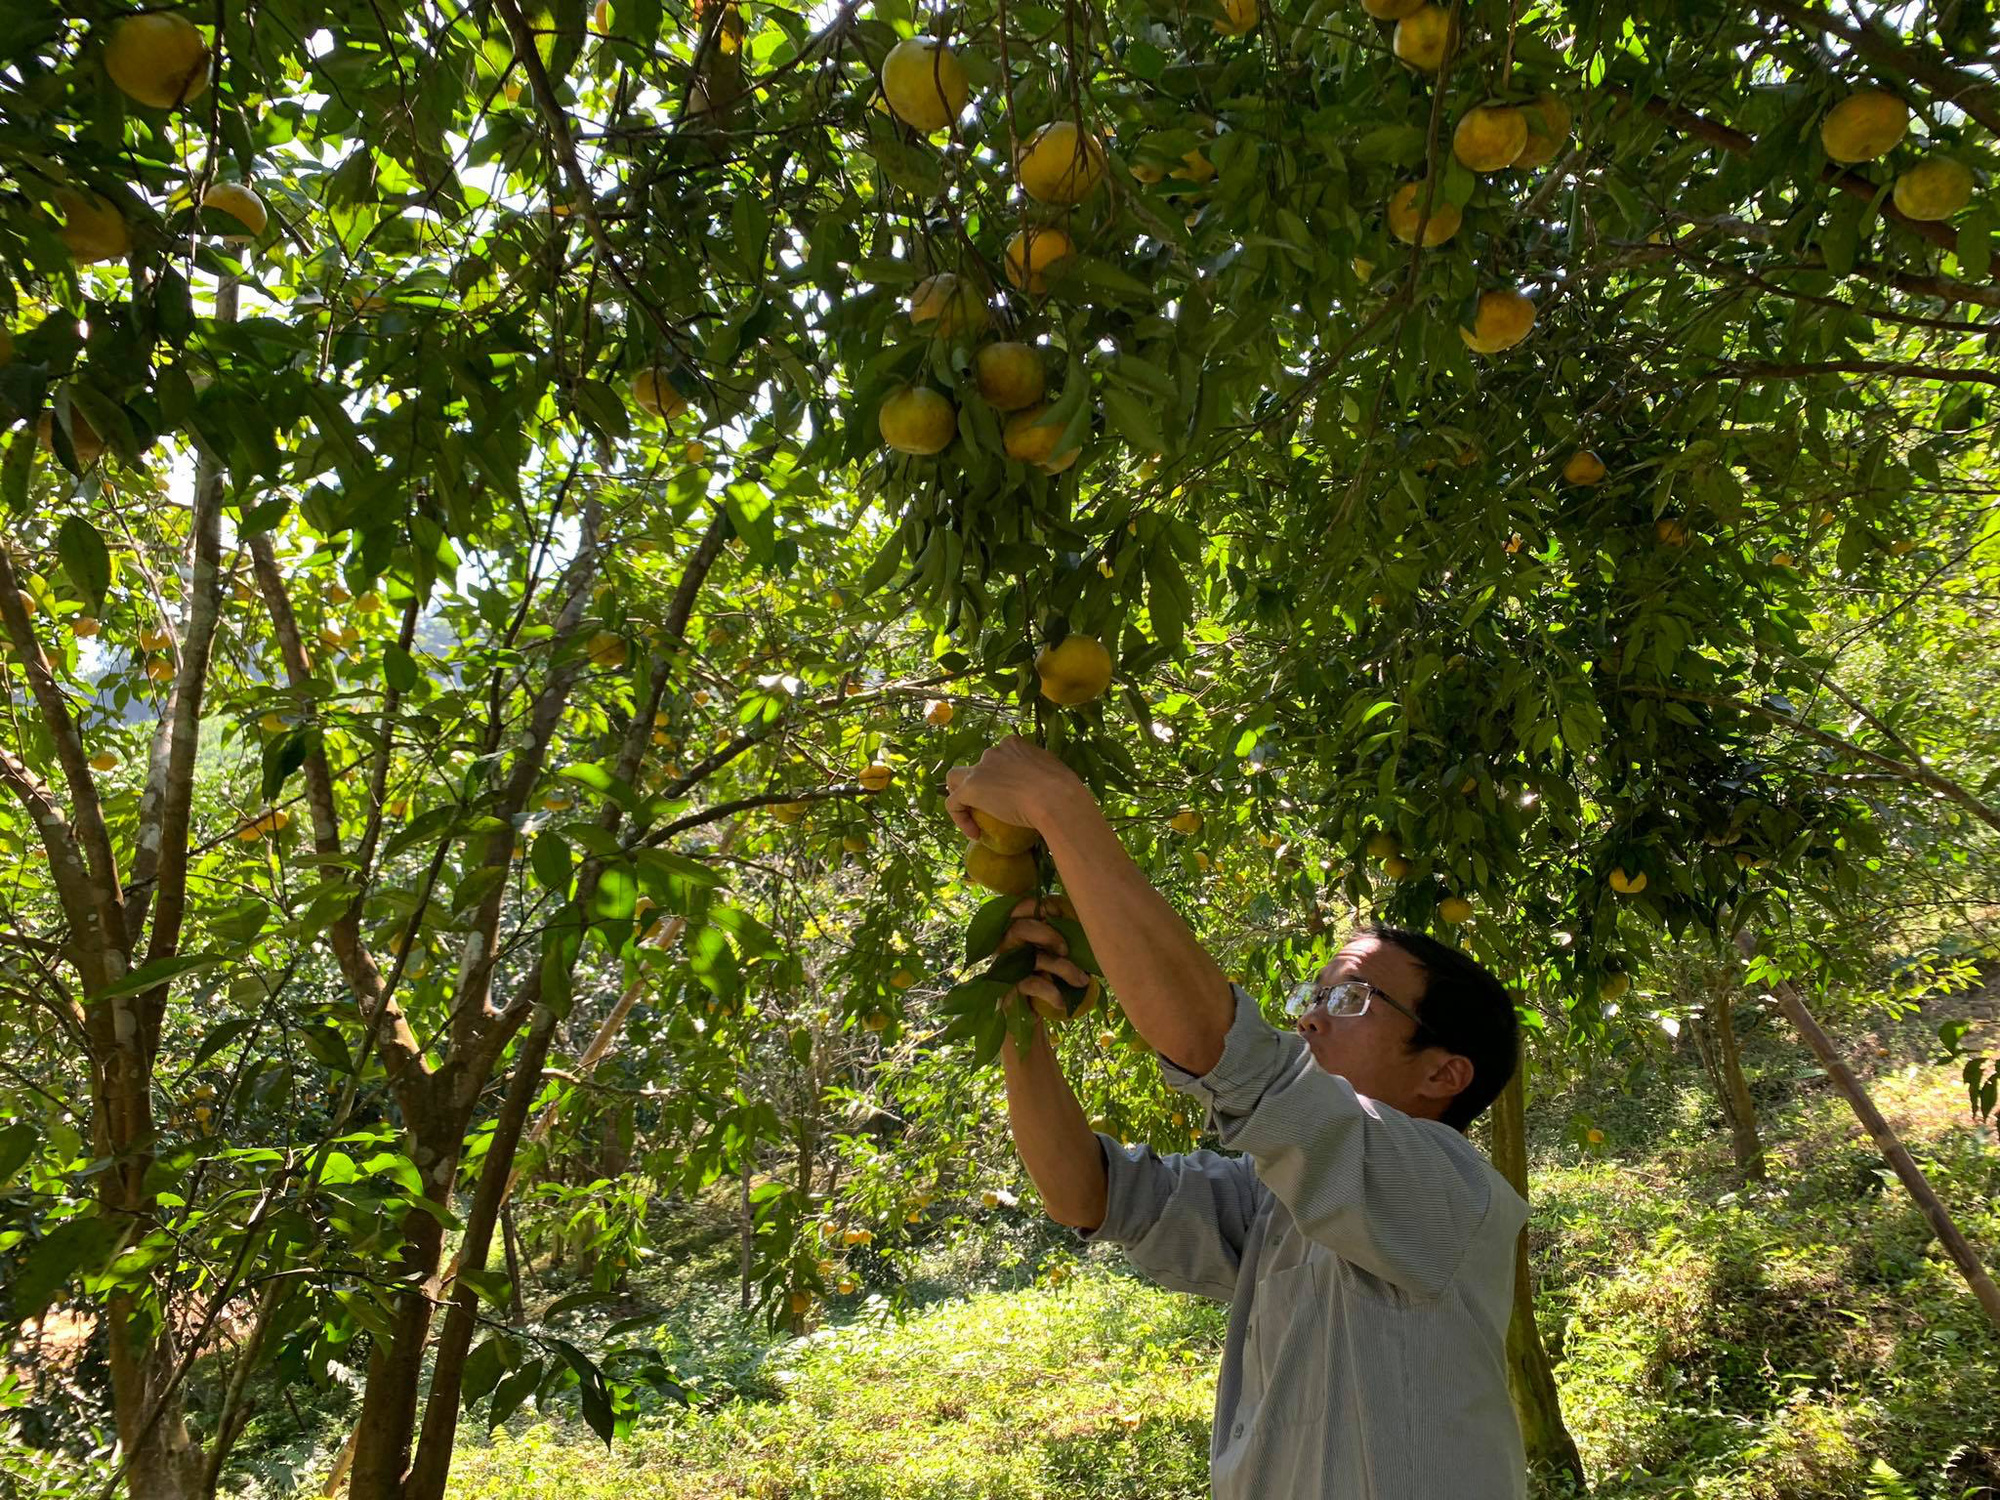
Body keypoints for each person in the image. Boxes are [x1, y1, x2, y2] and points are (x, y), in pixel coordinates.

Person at [946, 736, 1529, 1500]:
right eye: (1311, 997)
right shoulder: (1281, 1205)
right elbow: (1085, 1195)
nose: (1311, 1021)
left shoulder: (1448, 1191)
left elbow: (1219, 1048)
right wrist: (1022, 1022)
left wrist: (1058, 806)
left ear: (1443, 1073)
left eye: (1349, 999)